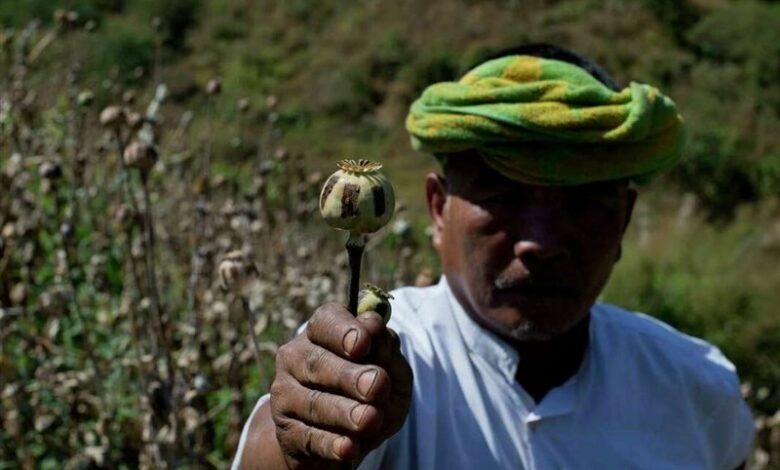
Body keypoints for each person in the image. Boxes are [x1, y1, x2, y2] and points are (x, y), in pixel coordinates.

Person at [232, 44, 755, 469]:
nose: (541, 243)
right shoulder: (384, 358)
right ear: (439, 210)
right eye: (504, 198)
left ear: (623, 220)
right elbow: (283, 440)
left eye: (580, 203)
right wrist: (296, 441)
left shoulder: (695, 384)